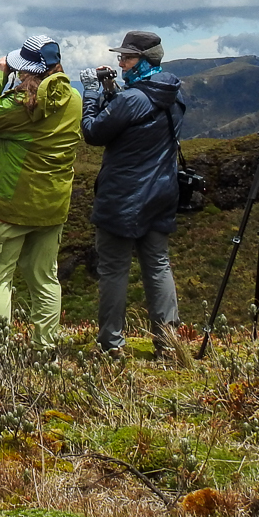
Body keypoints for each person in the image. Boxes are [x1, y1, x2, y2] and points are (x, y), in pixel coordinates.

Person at [79, 30, 186, 357]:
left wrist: (91, 94)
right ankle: (169, 345)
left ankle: (112, 345)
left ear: (145, 59)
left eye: (127, 57)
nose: (121, 63)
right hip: (162, 193)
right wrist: (114, 93)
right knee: (157, 264)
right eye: (120, 58)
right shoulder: (174, 93)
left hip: (123, 198)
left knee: (113, 269)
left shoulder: (132, 99)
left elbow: (94, 132)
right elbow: (136, 122)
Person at [0, 34, 82, 350]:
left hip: (11, 206)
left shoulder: (21, 106)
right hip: (52, 206)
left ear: (25, 71)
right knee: (46, 280)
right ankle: (46, 352)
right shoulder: (74, 98)